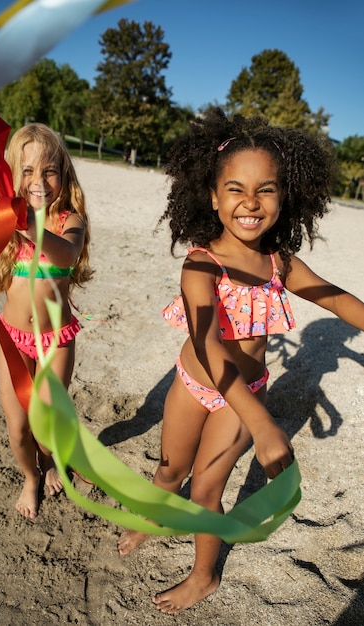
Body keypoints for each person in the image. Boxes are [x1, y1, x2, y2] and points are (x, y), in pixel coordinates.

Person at [117, 108, 364, 614]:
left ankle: (204, 575)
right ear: (212, 196)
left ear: (284, 197)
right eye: (235, 188)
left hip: (242, 397)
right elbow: (207, 343)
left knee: (206, 489)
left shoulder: (280, 264)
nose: (250, 202)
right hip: (195, 382)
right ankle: (154, 515)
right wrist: (266, 427)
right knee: (169, 470)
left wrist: (256, 416)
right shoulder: (200, 264)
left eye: (266, 189)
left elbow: (337, 300)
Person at [0, 123, 92, 519]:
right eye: (27, 171)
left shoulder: (68, 221)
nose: (38, 180)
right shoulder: (2, 217)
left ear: (63, 174)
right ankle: (31, 476)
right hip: (13, 341)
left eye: (49, 170)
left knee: (46, 427)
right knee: (18, 429)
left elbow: (65, 255)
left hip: (56, 340)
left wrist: (28, 222)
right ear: (12, 174)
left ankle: (51, 461)